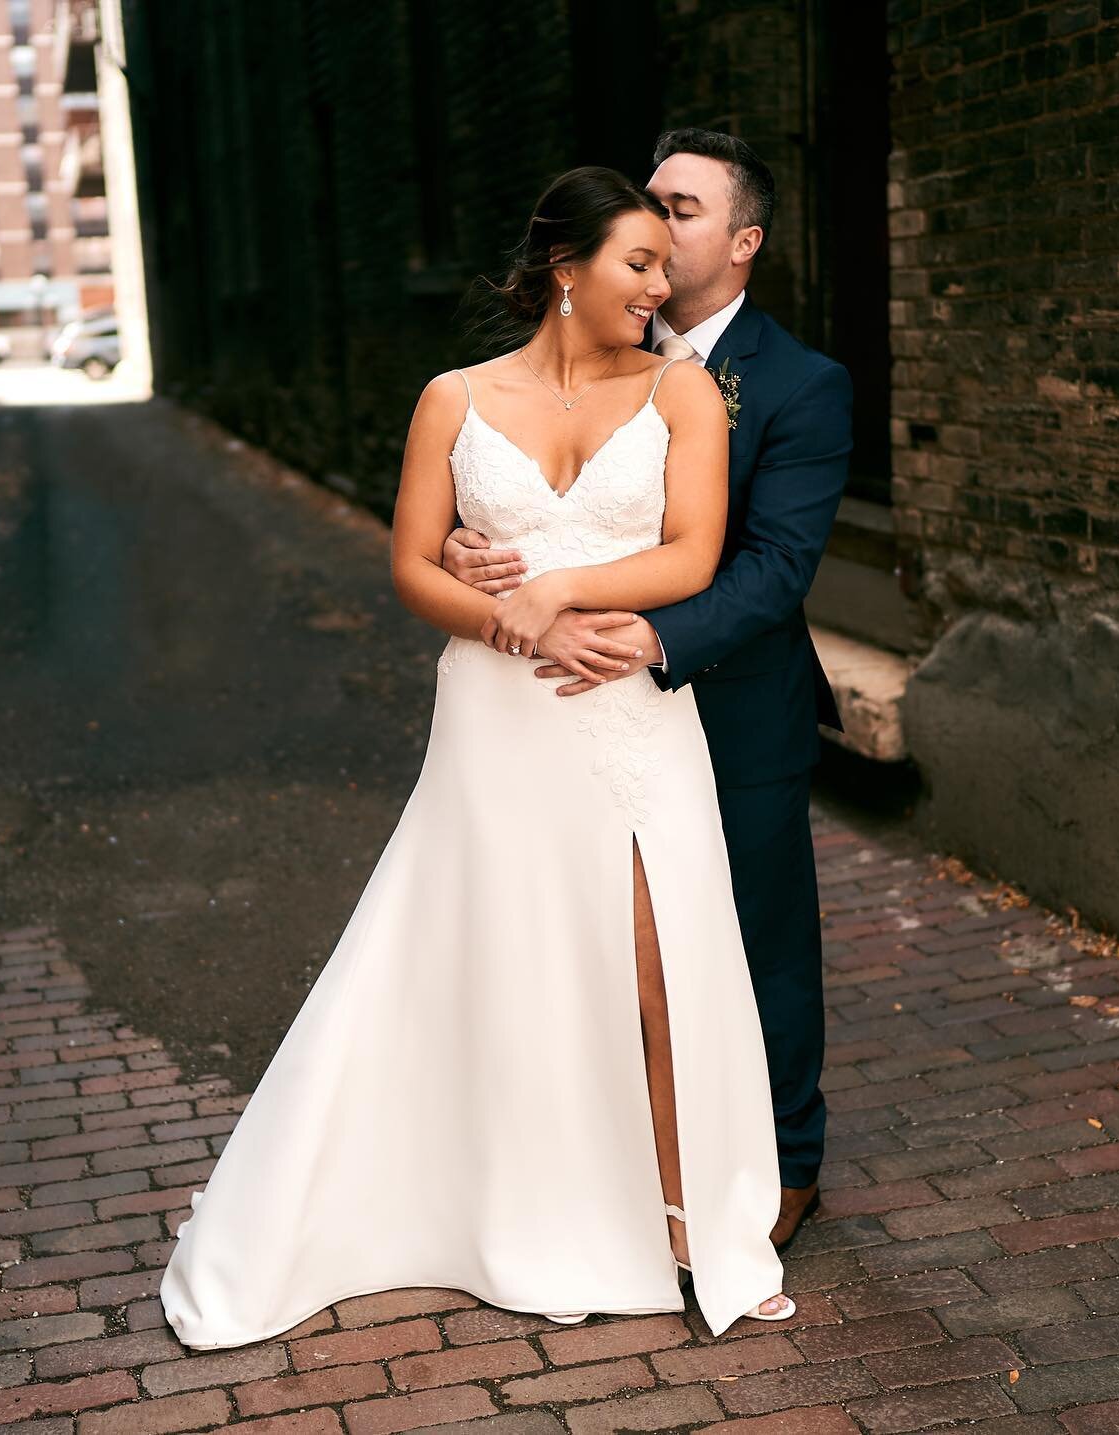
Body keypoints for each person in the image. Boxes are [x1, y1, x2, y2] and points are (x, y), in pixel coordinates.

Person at [158, 165, 792, 1350]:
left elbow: (695, 555)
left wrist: (555, 588)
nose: (663, 286)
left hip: (628, 720)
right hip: (496, 722)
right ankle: (521, 1201)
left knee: (661, 965)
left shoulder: (685, 393)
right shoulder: (452, 398)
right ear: (568, 268)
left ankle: (687, 1212)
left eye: (668, 263)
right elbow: (410, 567)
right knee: (511, 959)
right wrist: (494, 613)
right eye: (639, 263)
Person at [444, 130, 853, 1250]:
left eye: (681, 208)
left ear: (744, 241)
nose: (657, 229)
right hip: (575, 713)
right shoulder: (594, 347)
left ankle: (786, 1161)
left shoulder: (803, 385)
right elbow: (508, 487)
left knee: (753, 937)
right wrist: (468, 552)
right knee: (599, 940)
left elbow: (773, 568)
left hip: (727, 703)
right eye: (648, 210)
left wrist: (646, 638)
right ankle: (629, 1157)